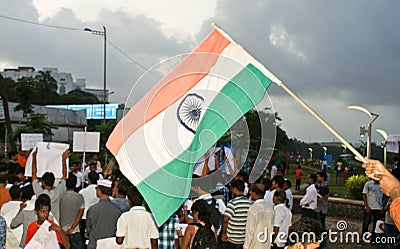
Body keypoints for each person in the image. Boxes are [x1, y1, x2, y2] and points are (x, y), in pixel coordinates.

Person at [362, 158, 400, 230]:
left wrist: (394, 191)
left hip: (378, 208)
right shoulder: (368, 184)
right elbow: (364, 195)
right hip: (371, 207)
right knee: (366, 224)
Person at [32, 148, 68, 222]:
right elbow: (64, 176)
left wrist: (34, 157)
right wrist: (64, 160)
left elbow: (34, 175)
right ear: (54, 181)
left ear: (42, 182)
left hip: (42, 224)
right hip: (55, 224)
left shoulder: (39, 193)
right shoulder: (58, 192)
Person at [85, 179, 121, 249]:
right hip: (112, 245)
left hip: (95, 244)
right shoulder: (116, 209)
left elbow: (88, 229)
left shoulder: (93, 209)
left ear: (100, 191)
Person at [221, 179, 252, 249]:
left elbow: (225, 219)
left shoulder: (232, 203)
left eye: (231, 189)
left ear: (235, 189)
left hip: (231, 240)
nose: (231, 191)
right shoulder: (249, 203)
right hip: (243, 239)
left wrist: (223, 234)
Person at [244, 183, 274, 249]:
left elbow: (250, 231)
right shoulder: (270, 208)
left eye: (251, 191)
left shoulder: (253, 209)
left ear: (254, 193)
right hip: (266, 244)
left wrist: (246, 247)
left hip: (254, 245)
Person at [59, 174, 84, 249]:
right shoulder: (79, 197)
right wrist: (72, 228)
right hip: (75, 230)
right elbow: (80, 214)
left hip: (61, 231)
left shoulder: (60, 196)